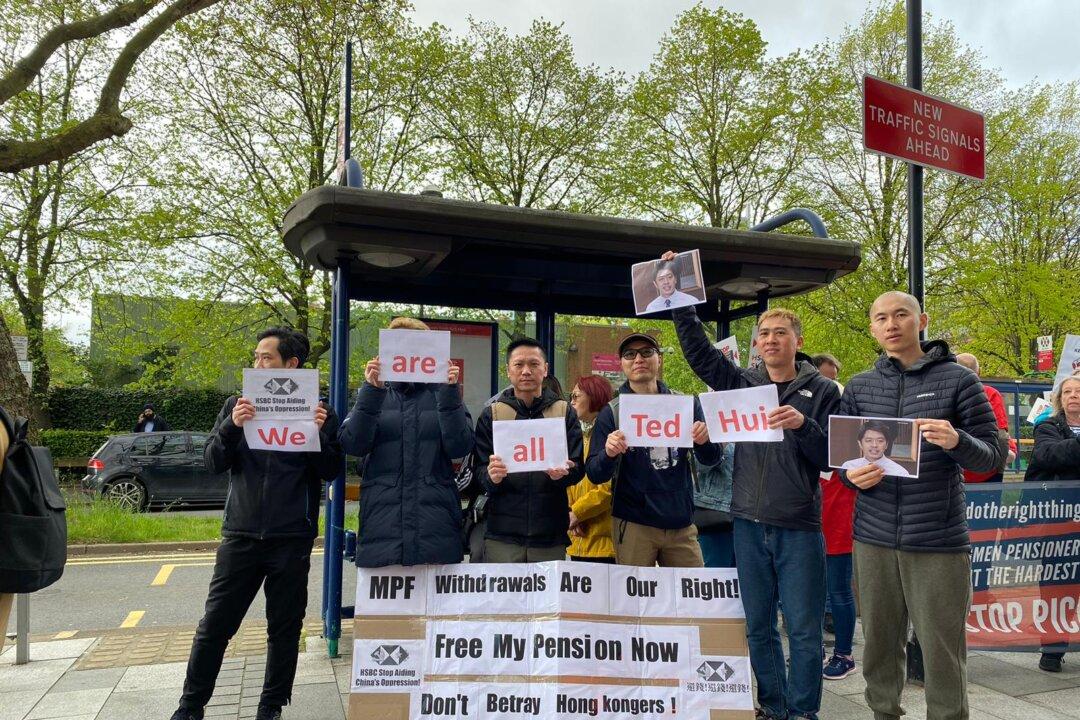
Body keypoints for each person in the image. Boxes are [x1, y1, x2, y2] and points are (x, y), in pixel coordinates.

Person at [671, 280, 839, 720]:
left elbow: (831, 458)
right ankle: (772, 705)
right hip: (746, 521)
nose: (769, 340)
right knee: (758, 626)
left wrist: (803, 425)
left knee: (802, 631)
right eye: (763, 334)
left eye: (779, 333)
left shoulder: (823, 391)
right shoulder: (743, 381)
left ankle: (803, 711)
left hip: (799, 525)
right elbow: (700, 356)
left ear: (798, 342)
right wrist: (682, 304)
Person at [841, 291, 1003, 720]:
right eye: (881, 317)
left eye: (901, 315)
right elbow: (842, 462)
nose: (891, 324)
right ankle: (883, 712)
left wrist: (958, 441)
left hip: (937, 540)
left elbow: (993, 454)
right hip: (873, 538)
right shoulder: (859, 386)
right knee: (878, 643)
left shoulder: (958, 381)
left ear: (921, 320)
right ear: (873, 327)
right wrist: (849, 475)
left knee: (941, 650)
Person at [171, 328, 343, 720]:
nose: (257, 363)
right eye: (256, 357)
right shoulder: (237, 404)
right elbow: (213, 462)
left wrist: (317, 435)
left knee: (284, 630)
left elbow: (332, 470)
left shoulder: (319, 411)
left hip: (291, 539)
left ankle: (271, 707)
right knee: (215, 625)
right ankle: (190, 706)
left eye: (266, 357)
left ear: (291, 365)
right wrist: (232, 426)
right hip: (241, 536)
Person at [338, 317, 474, 567]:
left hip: (436, 532)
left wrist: (449, 393)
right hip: (383, 532)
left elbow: (460, 447)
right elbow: (352, 445)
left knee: (437, 605)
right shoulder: (374, 395)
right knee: (386, 608)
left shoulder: (443, 395)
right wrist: (371, 391)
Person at [586, 332, 720, 567]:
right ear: (622, 364)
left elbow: (712, 459)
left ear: (659, 359)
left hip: (681, 522)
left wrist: (704, 441)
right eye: (630, 354)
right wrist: (608, 453)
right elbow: (595, 473)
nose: (639, 359)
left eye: (647, 352)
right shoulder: (612, 412)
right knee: (634, 601)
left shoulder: (686, 405)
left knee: (691, 599)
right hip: (634, 523)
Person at [473, 337, 585, 562]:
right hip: (502, 533)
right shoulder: (492, 414)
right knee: (505, 597)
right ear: (508, 371)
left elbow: (578, 467)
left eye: (534, 364)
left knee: (548, 598)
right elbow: (479, 471)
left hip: (550, 533)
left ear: (545, 369)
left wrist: (564, 473)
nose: (526, 371)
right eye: (519, 365)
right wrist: (491, 476)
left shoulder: (563, 411)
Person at [1024, 369, 1080, 672]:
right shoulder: (1047, 426)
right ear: (1060, 399)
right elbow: (1049, 456)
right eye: (1068, 392)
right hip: (1059, 521)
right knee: (1058, 586)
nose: (1073, 396)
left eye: (1079, 391)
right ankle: (1053, 648)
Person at [566, 375, 616, 563]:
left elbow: (608, 488)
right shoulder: (580, 435)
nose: (571, 402)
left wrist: (576, 514)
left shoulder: (609, 436)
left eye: (576, 396)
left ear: (593, 396)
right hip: (578, 539)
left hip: (605, 543)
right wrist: (572, 514)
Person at [820, 464, 857, 680]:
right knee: (812, 593)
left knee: (839, 592)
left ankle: (844, 655)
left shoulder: (848, 435)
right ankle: (816, 650)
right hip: (811, 518)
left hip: (840, 520)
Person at [956, 352, 1017, 482]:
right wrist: (999, 471)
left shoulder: (945, 393)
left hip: (954, 476)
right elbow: (1001, 436)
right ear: (979, 372)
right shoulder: (990, 393)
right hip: (987, 474)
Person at [693, 443, 736, 568]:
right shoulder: (704, 426)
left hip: (753, 515)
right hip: (715, 514)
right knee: (715, 578)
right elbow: (697, 466)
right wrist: (719, 447)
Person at [840, 420, 910, 476]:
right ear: (860, 443)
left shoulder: (900, 472)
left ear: (887, 445)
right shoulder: (848, 466)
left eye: (880, 441)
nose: (874, 445)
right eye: (868, 440)